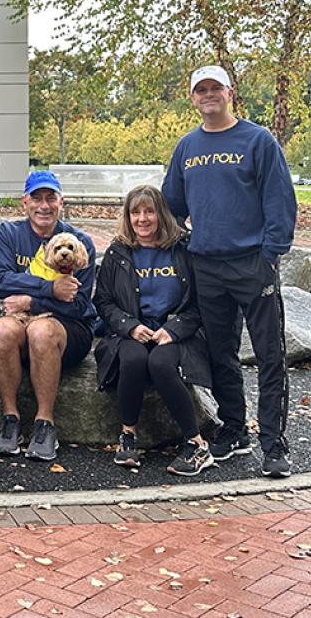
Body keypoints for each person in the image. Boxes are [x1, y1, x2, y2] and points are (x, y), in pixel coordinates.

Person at [162, 64, 297, 478]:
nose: (208, 95)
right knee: (221, 352)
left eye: (214, 88)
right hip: (207, 265)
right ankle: (234, 431)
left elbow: (280, 202)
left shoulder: (258, 140)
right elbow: (172, 202)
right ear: (193, 98)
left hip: (252, 265)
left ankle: (273, 444)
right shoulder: (187, 147)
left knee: (270, 355)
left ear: (230, 91)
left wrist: (270, 255)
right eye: (200, 90)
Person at [93, 186, 214, 476]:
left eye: (149, 211)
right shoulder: (118, 251)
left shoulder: (182, 250)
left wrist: (173, 329)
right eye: (135, 212)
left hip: (172, 333)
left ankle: (197, 444)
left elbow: (199, 304)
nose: (142, 219)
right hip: (131, 333)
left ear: (160, 213)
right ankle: (128, 436)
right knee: (134, 360)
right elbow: (103, 301)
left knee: (160, 363)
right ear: (128, 216)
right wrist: (130, 326)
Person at [0, 171, 97, 461]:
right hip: (23, 321)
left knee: (41, 331)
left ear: (61, 202)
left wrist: (29, 300)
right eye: (36, 198)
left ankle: (44, 423)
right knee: (2, 330)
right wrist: (49, 289)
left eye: (51, 198)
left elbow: (78, 304)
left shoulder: (81, 241)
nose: (44, 206)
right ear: (25, 202)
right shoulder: (8, 234)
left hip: (70, 330)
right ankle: (10, 419)